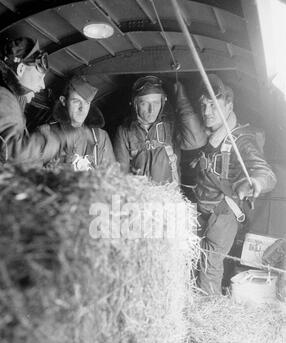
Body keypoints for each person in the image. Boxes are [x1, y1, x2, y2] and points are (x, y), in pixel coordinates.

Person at [180, 73, 277, 295]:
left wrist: (255, 182)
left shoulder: (241, 139)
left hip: (223, 213)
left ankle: (208, 314)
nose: (206, 112)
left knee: (209, 269)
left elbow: (266, 173)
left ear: (229, 106)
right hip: (200, 211)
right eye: (203, 105)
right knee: (191, 263)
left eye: (214, 105)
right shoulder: (206, 138)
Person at [0, 37, 95, 170]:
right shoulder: (5, 98)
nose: (42, 85)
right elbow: (13, 156)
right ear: (21, 69)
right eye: (40, 77)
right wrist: (60, 137)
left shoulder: (11, 101)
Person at [113, 75, 206, 184]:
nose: (151, 110)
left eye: (156, 103)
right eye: (144, 103)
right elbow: (120, 173)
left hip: (168, 195)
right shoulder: (125, 131)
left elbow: (196, 141)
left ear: (163, 103)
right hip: (140, 196)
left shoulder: (171, 126)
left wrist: (182, 101)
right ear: (135, 105)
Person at [46, 75, 115, 171]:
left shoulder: (101, 137)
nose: (82, 109)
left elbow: (112, 178)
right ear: (63, 101)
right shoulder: (47, 133)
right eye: (76, 101)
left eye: (87, 102)